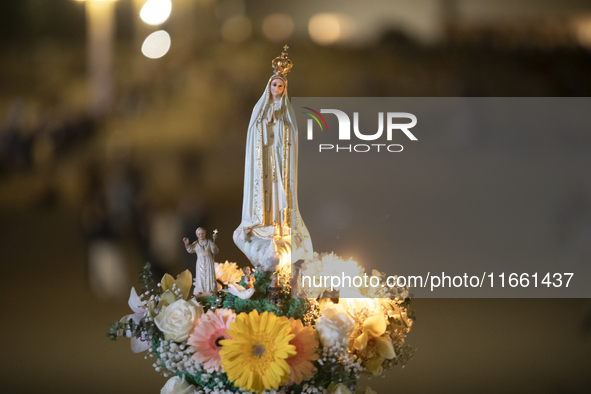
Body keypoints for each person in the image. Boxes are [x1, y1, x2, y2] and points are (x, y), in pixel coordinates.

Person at [234, 47, 313, 270]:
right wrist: (266, 122)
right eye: (274, 84)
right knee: (263, 191)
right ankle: (261, 223)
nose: (277, 88)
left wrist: (279, 124)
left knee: (279, 192)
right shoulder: (259, 109)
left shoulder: (286, 111)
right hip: (263, 159)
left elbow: (291, 135)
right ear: (268, 86)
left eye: (280, 85)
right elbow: (254, 132)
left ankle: (278, 224)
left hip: (279, 160)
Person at [183, 227, 218, 296]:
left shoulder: (209, 242)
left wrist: (214, 248)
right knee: (200, 275)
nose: (201, 235)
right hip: (200, 261)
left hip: (208, 260)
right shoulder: (196, 243)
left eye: (202, 233)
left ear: (205, 234)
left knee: (209, 274)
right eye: (199, 234)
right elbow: (190, 249)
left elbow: (215, 251)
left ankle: (210, 289)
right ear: (197, 235)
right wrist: (187, 244)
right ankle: (200, 290)